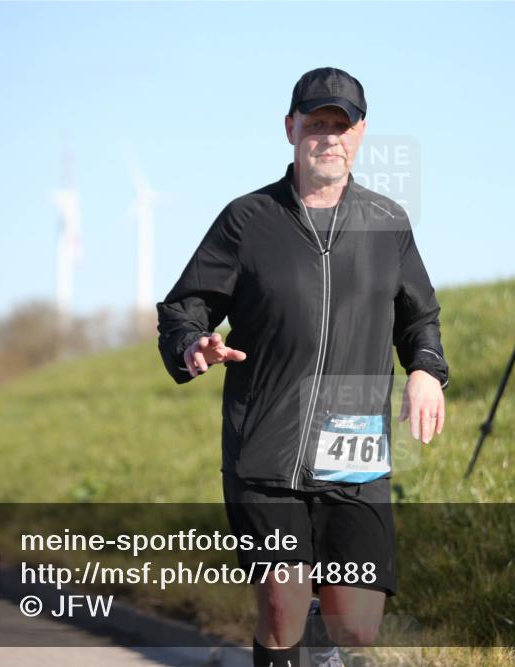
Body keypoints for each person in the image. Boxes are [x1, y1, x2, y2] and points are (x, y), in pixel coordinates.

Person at [157, 67, 448, 667]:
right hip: (265, 446)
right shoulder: (247, 220)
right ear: (290, 129)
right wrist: (193, 343)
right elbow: (184, 307)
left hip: (354, 452)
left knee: (358, 626)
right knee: (283, 600)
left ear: (360, 134)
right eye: (316, 124)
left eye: (341, 126)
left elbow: (420, 317)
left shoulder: (387, 223)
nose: (329, 138)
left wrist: (424, 370)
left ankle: (321, 637)